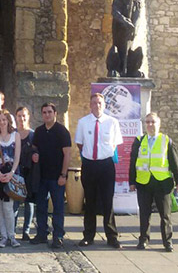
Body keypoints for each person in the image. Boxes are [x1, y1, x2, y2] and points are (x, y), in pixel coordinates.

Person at [129, 112, 178, 253]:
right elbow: (133, 162)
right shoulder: (139, 140)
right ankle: (143, 240)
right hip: (144, 182)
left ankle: (167, 242)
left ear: (159, 124)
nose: (150, 125)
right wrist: (132, 181)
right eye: (147, 122)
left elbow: (174, 162)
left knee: (165, 215)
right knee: (144, 213)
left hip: (162, 183)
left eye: (153, 122)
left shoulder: (166, 140)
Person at [74, 93, 123, 248]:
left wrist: (102, 154)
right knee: (90, 202)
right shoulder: (83, 122)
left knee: (108, 201)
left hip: (106, 166)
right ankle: (88, 235)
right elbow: (80, 144)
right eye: (94, 103)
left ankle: (112, 236)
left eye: (100, 103)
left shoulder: (112, 122)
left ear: (105, 105)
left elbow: (115, 144)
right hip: (89, 165)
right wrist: (91, 155)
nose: (97, 105)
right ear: (90, 105)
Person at [30, 102, 71, 249]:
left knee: (58, 208)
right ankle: (42, 233)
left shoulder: (62, 131)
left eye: (49, 112)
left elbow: (67, 154)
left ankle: (58, 235)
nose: (47, 115)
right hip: (41, 176)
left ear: (55, 113)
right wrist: (34, 154)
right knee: (41, 207)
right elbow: (34, 148)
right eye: (44, 112)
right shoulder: (39, 131)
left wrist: (63, 175)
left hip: (56, 177)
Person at [0, 110, 22, 248]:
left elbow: (17, 156)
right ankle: (3, 236)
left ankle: (12, 235)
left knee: (8, 206)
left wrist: (11, 172)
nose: (2, 122)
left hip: (11, 175)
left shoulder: (16, 135)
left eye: (4, 119)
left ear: (8, 121)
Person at [13, 106, 36, 241]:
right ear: (16, 118)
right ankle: (13, 229)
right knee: (15, 202)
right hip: (16, 172)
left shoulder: (33, 135)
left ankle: (26, 231)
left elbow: (37, 151)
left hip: (29, 172)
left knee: (29, 203)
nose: (22, 118)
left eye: (24, 116)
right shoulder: (13, 134)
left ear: (28, 117)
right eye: (19, 116)